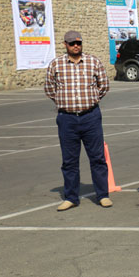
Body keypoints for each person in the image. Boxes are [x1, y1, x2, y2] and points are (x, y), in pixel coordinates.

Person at [44, 31, 112, 211]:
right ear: (65, 44)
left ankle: (103, 195)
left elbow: (104, 86)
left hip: (90, 117)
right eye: (72, 43)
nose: (76, 46)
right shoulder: (56, 64)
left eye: (78, 43)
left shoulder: (93, 62)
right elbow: (50, 89)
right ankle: (71, 197)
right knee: (69, 161)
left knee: (97, 158)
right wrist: (64, 102)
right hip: (67, 119)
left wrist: (90, 100)